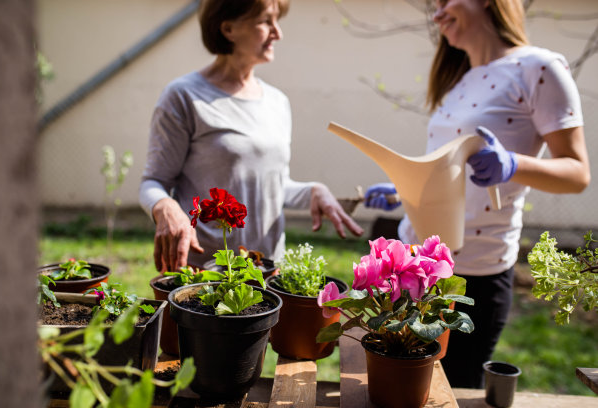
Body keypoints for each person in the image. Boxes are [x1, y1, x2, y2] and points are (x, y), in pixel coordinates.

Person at [364, 0, 590, 388]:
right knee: (393, 389)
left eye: (444, 2)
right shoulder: (461, 79)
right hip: (414, 264)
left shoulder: (540, 68)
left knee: (450, 392)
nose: (436, 15)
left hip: (474, 277)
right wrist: (409, 191)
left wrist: (514, 165)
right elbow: (450, 172)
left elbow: (577, 173)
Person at [139, 0, 363, 273]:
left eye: (277, 21)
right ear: (228, 28)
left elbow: (273, 187)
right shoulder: (183, 97)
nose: (277, 33)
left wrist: (314, 191)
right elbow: (153, 182)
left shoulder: (277, 102)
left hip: (265, 272)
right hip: (201, 272)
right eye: (266, 21)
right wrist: (164, 206)